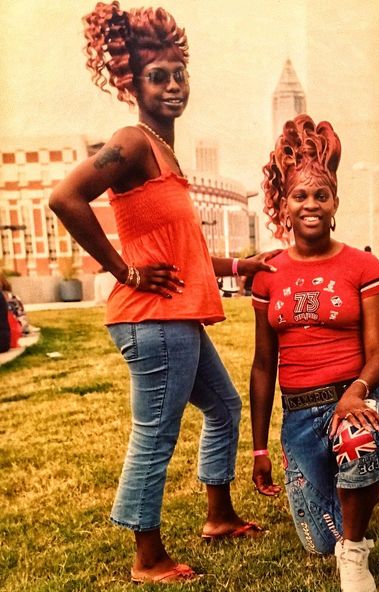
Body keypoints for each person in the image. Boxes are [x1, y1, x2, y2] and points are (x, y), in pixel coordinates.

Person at [49, 2, 278, 584]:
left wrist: (241, 263)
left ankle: (218, 516)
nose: (173, 85)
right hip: (153, 320)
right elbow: (65, 198)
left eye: (179, 74)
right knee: (155, 431)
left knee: (224, 408)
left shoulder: (163, 152)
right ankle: (147, 556)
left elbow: (181, 248)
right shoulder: (129, 140)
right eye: (158, 76)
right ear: (132, 83)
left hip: (178, 317)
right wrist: (125, 271)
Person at [249, 115, 379, 592]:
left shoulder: (363, 265)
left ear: (334, 203)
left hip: (356, 395)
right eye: (299, 196)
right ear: (284, 205)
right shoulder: (266, 274)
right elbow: (264, 365)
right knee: (317, 539)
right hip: (299, 413)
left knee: (355, 441)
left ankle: (355, 555)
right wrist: (260, 446)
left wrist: (357, 392)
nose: (310, 204)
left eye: (320, 195)